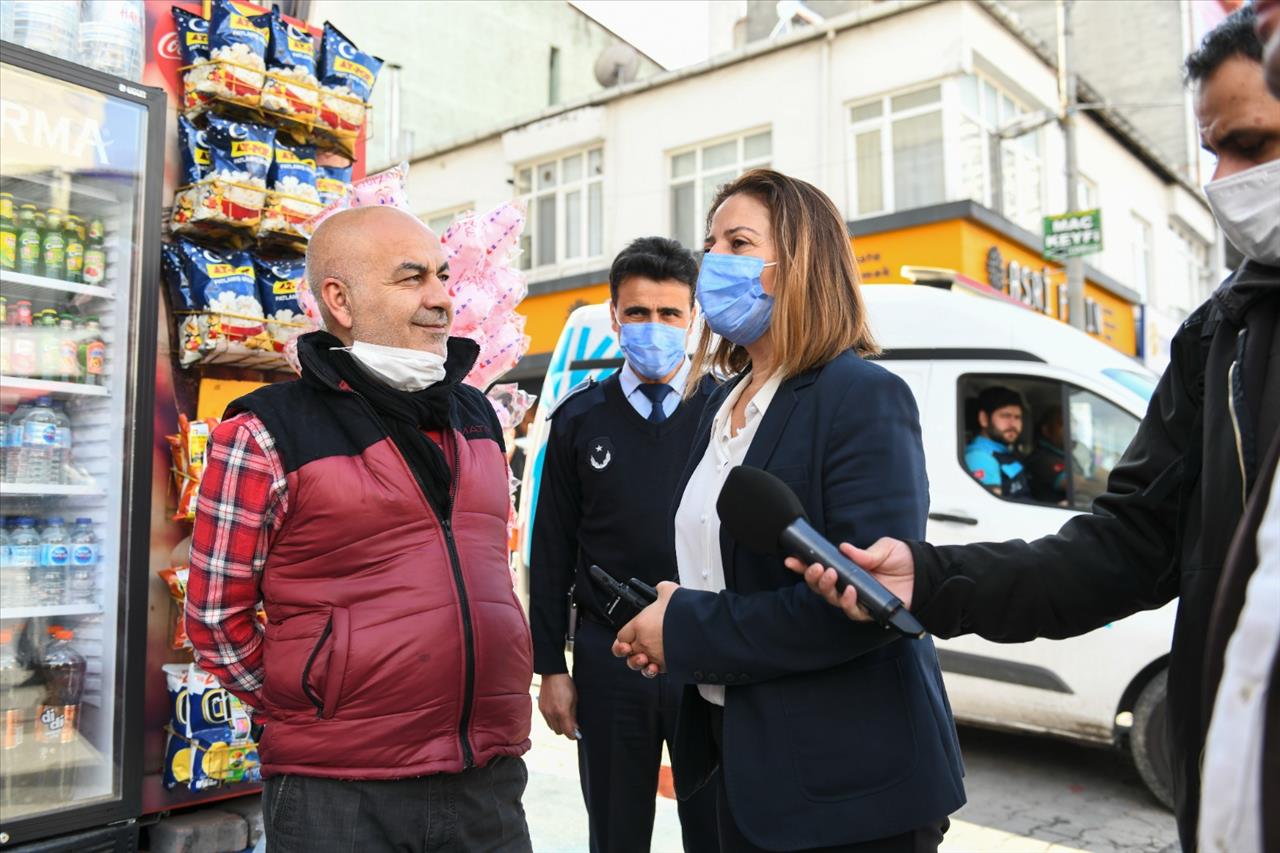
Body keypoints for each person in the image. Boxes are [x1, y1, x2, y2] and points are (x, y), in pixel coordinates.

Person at [786, 9, 1280, 851]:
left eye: (1256, 143)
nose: (1225, 179)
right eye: (1215, 150)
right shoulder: (1220, 335)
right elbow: (1126, 545)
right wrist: (930, 579)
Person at [613, 170, 965, 853]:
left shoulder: (861, 396)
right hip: (730, 763)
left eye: (738, 242)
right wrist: (665, 614)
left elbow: (867, 605)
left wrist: (686, 626)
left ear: (799, 262)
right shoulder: (715, 406)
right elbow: (724, 571)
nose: (712, 260)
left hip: (844, 785)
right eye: (709, 242)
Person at [186, 206, 534, 853]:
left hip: (486, 779)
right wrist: (311, 698)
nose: (439, 298)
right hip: (340, 793)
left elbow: (484, 574)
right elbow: (213, 617)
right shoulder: (262, 432)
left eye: (442, 275)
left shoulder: (479, 415)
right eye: (412, 279)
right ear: (339, 300)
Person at [528, 236, 717, 853]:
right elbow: (551, 549)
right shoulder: (578, 418)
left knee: (718, 829)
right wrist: (551, 668)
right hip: (608, 655)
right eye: (638, 312)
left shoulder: (729, 412)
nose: (653, 327)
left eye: (669, 314)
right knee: (615, 832)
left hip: (707, 653)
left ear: (693, 319)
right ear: (615, 316)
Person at [963, 386, 1030, 498]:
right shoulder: (980, 457)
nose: (1013, 424)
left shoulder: (1004, 451)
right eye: (1005, 416)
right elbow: (993, 510)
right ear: (984, 419)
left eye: (1017, 417)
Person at [1025, 405, 1067, 504]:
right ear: (1046, 430)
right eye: (1061, 424)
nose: (1068, 429)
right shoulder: (1041, 460)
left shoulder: (1067, 451)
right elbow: (1080, 485)